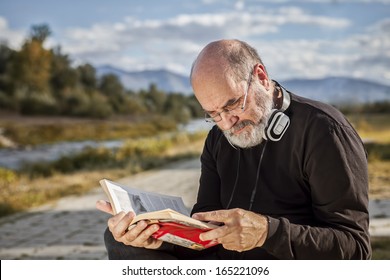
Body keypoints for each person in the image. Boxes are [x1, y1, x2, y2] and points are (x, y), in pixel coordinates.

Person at [96, 39, 371, 260]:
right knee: (121, 240)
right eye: (213, 113)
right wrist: (154, 237)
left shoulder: (324, 131)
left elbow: (355, 248)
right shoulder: (217, 139)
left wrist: (267, 233)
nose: (226, 123)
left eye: (232, 105)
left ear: (261, 77)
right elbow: (204, 228)